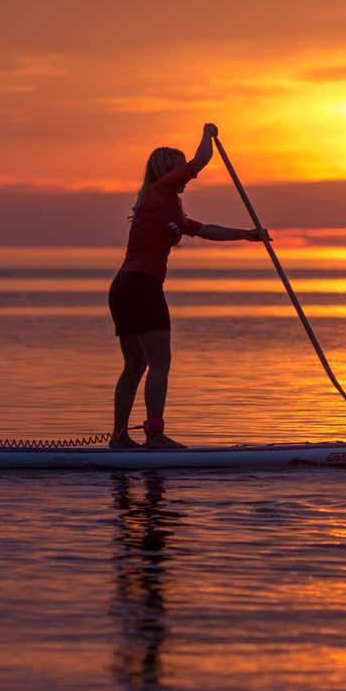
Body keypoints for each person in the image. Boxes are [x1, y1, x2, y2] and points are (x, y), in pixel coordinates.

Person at [108, 123, 268, 449]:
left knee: (137, 365)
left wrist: (248, 235)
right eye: (180, 167)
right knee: (159, 363)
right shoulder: (160, 192)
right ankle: (152, 436)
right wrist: (208, 135)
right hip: (139, 286)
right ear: (168, 169)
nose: (186, 174)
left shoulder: (168, 208)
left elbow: (206, 229)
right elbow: (201, 160)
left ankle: (120, 438)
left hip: (126, 287)